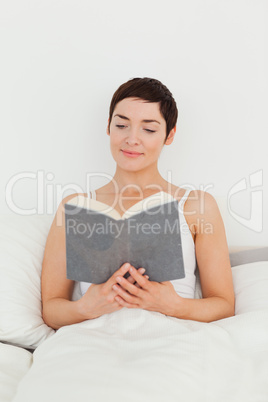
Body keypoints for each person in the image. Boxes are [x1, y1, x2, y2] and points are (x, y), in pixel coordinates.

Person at [41, 77, 235, 330]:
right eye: (122, 125)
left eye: (149, 129)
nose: (132, 139)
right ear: (109, 127)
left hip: (170, 339)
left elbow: (224, 305)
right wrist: (85, 307)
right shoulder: (75, 207)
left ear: (170, 135)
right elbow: (52, 309)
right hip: (93, 341)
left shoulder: (197, 206)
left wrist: (172, 305)